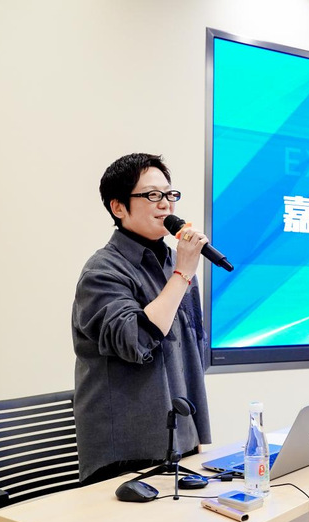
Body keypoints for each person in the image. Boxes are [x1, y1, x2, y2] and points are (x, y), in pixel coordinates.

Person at [72, 152, 212, 484]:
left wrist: (196, 435)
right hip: (126, 452)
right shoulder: (102, 271)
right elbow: (135, 340)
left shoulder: (176, 264)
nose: (165, 204)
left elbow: (193, 352)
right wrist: (183, 274)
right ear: (118, 207)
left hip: (181, 443)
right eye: (151, 195)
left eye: (169, 194)